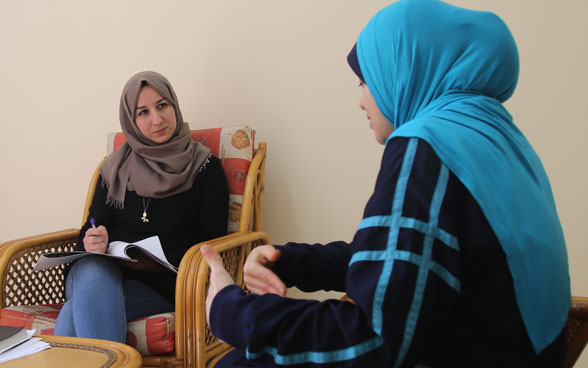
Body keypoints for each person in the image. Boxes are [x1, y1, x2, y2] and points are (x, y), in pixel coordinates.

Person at [202, 0, 572, 367]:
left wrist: (231, 311)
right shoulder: (495, 139)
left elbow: (370, 341)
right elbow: (405, 261)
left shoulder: (427, 144)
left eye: (365, 80)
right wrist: (293, 261)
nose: (361, 99)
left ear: (404, 69)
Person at [54, 71, 229, 343]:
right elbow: (89, 229)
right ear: (131, 121)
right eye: (143, 112)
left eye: (162, 106)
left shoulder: (206, 168)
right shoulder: (114, 168)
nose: (157, 120)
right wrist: (92, 241)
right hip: (106, 275)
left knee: (72, 315)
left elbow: (210, 244)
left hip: (168, 285)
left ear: (174, 105)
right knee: (90, 268)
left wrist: (151, 263)